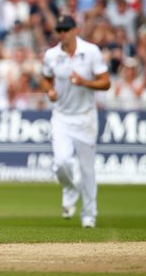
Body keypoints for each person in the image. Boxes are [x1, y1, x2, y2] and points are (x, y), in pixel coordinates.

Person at [40, 15, 110, 228]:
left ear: (75, 30)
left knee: (87, 170)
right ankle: (70, 189)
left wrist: (84, 82)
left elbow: (106, 83)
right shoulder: (52, 55)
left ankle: (89, 215)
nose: (62, 34)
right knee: (61, 162)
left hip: (85, 118)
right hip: (61, 116)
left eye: (66, 29)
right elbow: (45, 78)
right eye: (59, 30)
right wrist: (49, 91)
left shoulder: (90, 51)